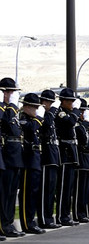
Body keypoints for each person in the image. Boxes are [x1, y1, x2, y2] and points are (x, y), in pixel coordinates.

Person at [0, 77, 25, 238]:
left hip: (14, 154)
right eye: (9, 92)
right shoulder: (4, 109)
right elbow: (7, 121)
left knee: (10, 193)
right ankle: (3, 224)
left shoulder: (11, 109)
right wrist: (10, 106)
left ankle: (8, 223)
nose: (12, 95)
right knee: (3, 192)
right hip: (6, 154)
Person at [17, 93, 46, 234]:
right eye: (34, 107)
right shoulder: (23, 119)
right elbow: (31, 128)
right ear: (26, 107)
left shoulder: (32, 119)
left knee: (34, 191)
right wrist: (39, 118)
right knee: (27, 193)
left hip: (35, 157)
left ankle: (30, 221)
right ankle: (26, 223)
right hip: (27, 158)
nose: (36, 110)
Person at [55, 87, 80, 226]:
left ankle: (66, 214)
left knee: (68, 187)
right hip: (64, 152)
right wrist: (76, 111)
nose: (71, 103)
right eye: (69, 101)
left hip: (70, 152)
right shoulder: (61, 113)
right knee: (63, 187)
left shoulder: (69, 113)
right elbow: (70, 122)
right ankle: (61, 216)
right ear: (63, 101)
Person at [37, 90, 61, 230]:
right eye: (49, 102)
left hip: (52, 155)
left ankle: (48, 217)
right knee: (45, 190)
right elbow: (45, 125)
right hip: (45, 155)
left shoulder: (49, 115)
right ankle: (43, 219)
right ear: (43, 102)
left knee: (51, 190)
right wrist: (51, 110)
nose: (51, 105)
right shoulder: (42, 116)